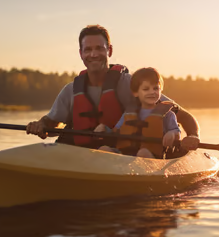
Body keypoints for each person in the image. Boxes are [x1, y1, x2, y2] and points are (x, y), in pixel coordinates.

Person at [25, 24, 200, 150]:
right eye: (87, 50)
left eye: (99, 49)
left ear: (109, 50)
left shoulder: (132, 85)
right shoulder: (70, 90)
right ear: (81, 53)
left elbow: (184, 116)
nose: (93, 54)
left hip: (120, 157)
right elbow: (50, 124)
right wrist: (40, 125)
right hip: (81, 158)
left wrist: (193, 136)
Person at [94, 67, 180, 158]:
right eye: (146, 89)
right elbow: (116, 131)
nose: (152, 92)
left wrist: (172, 134)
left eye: (155, 89)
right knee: (104, 149)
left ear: (160, 90)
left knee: (142, 153)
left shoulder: (168, 115)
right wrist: (104, 129)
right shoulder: (128, 113)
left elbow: (177, 133)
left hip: (152, 157)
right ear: (135, 92)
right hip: (124, 155)